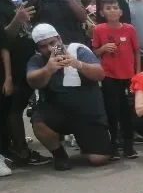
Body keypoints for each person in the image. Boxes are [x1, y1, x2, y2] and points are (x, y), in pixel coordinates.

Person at [26, 24, 111, 170]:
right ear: (38, 48)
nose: (49, 49)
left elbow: (100, 74)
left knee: (99, 159)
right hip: (59, 112)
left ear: (59, 38)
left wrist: (77, 64)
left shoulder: (78, 50)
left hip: (87, 112)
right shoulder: (38, 59)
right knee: (38, 121)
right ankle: (59, 155)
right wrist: (48, 69)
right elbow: (32, 80)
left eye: (53, 43)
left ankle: (87, 140)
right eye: (43, 46)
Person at [0, 0, 51, 168]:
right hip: (8, 69)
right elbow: (3, 39)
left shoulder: (10, 3)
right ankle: (20, 151)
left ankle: (14, 149)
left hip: (24, 66)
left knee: (16, 108)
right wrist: (18, 20)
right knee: (13, 109)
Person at [92, 0, 140, 159]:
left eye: (115, 7)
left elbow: (137, 52)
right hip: (109, 76)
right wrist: (103, 48)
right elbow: (94, 53)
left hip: (128, 77)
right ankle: (113, 145)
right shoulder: (99, 29)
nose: (112, 10)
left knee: (127, 112)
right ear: (102, 12)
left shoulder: (130, 29)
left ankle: (129, 145)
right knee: (112, 112)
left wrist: (138, 74)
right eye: (108, 8)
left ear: (121, 12)